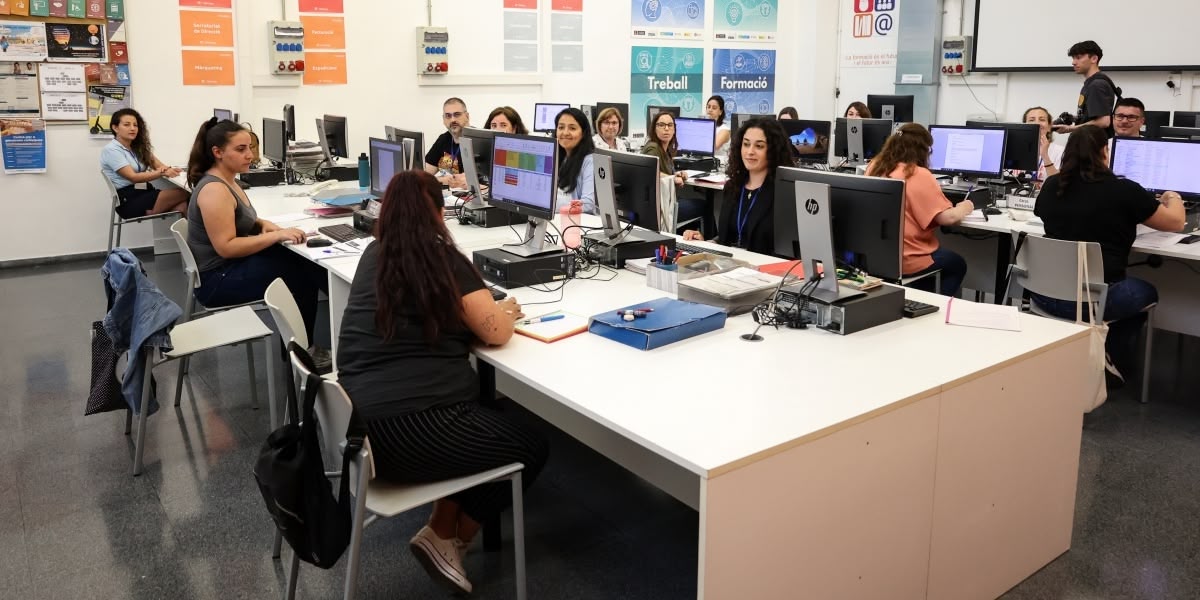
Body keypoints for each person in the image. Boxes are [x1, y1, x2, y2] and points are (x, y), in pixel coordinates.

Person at [335, 170, 548, 596]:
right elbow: (495, 332)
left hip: (360, 431)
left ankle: (440, 525)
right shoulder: (444, 259)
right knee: (532, 444)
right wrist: (505, 311)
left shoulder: (374, 255)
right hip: (410, 435)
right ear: (438, 212)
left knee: (489, 414)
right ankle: (451, 540)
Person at [1032, 125, 1185, 383]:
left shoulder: (1051, 186)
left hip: (1044, 294)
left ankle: (1094, 352)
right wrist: (1174, 197)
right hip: (1095, 301)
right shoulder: (1124, 190)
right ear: (1105, 152)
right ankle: (1109, 354)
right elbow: (1175, 223)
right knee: (1146, 291)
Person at [184, 118, 328, 345]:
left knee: (302, 261)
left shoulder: (228, 181)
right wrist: (276, 235)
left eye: (250, 147)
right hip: (218, 280)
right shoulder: (214, 190)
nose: (250, 155)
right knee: (301, 276)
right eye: (240, 149)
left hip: (227, 268)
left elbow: (239, 219)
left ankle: (308, 344)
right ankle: (301, 352)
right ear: (218, 152)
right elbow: (227, 247)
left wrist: (261, 225)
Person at [865, 123, 973, 296]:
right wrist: (966, 206)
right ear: (923, 150)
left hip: (877, 257)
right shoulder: (917, 174)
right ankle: (931, 305)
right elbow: (948, 218)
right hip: (909, 259)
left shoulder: (874, 166)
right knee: (957, 264)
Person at [681, 118, 791, 256]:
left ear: (773, 150)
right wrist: (706, 243)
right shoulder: (733, 187)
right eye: (746, 144)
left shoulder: (783, 194)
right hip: (729, 267)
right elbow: (727, 237)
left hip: (763, 270)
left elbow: (786, 251)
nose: (750, 151)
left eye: (759, 146)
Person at [100, 108, 189, 219]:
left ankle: (191, 236)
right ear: (115, 128)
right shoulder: (112, 150)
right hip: (128, 200)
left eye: (135, 125)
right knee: (187, 193)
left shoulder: (137, 147)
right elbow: (133, 177)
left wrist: (169, 169)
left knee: (182, 207)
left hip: (144, 192)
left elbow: (159, 165)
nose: (132, 128)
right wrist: (161, 173)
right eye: (127, 125)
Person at [1054, 41, 1118, 138]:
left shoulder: (1097, 85)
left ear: (1094, 58)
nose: (1073, 62)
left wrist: (1070, 129)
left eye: (1078, 57)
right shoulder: (1091, 83)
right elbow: (1093, 117)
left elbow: (1104, 121)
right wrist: (1074, 119)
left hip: (1094, 146)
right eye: (1073, 58)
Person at [555, 108, 597, 214]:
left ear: (583, 133)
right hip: (557, 219)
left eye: (572, 128)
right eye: (561, 127)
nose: (565, 132)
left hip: (576, 222)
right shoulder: (560, 157)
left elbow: (587, 204)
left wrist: (549, 205)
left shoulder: (589, 161)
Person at [425, 97, 470, 187]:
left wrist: (439, 180)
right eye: (448, 116)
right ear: (444, 120)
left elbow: (467, 181)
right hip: (447, 197)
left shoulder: (477, 141)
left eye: (457, 114)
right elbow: (424, 174)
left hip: (467, 198)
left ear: (467, 116)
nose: (452, 120)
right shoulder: (443, 139)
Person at [640, 111, 686, 187]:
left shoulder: (666, 150)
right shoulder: (653, 148)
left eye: (670, 125)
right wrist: (673, 178)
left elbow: (664, 173)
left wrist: (676, 174)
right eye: (661, 125)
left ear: (674, 130)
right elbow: (650, 171)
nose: (666, 128)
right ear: (655, 129)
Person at [1023, 106, 1063, 180]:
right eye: (1031, 120)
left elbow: (1058, 183)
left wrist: (1045, 156)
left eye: (1042, 120)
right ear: (1024, 125)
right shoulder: (1011, 149)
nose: (1037, 123)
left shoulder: (1061, 152)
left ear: (1049, 126)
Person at [706, 95, 732, 160]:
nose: (710, 110)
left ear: (720, 112)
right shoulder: (703, 127)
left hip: (720, 165)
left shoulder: (724, 130)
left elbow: (712, 147)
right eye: (708, 107)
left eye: (714, 108)